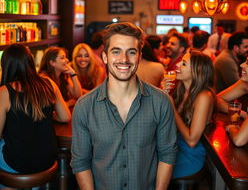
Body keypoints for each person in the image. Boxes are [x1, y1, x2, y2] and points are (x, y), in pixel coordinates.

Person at [71, 22, 177, 190]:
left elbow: (167, 154)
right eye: (116, 51)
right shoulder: (84, 107)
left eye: (131, 52)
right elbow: (80, 163)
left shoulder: (161, 101)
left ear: (140, 57)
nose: (124, 60)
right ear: (105, 57)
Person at [0, 44, 71, 184]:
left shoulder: (5, 91)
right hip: (47, 159)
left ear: (6, 65)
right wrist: (45, 115)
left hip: (18, 163)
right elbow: (65, 116)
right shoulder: (49, 83)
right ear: (30, 62)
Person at [170, 50, 215, 178]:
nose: (177, 65)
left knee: (147, 167)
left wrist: (171, 107)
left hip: (189, 156)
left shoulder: (204, 96)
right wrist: (162, 94)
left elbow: (192, 140)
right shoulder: (181, 90)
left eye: (183, 64)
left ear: (197, 70)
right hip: (174, 147)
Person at [217, 48, 248, 146]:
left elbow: (239, 141)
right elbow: (216, 100)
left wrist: (232, 128)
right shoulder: (246, 84)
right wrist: (241, 113)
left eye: (247, 63)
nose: (241, 65)